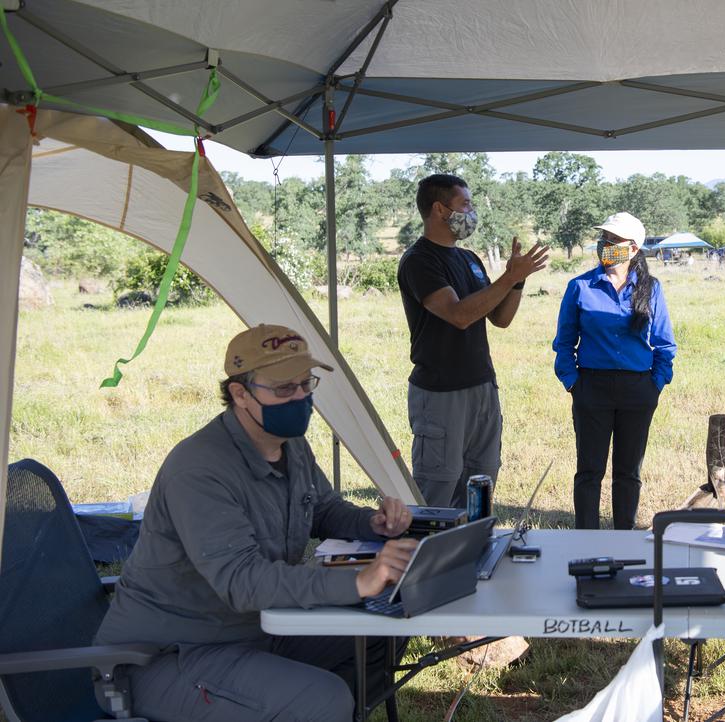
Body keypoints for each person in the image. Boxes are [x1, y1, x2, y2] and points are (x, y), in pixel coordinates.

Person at [94, 324, 420, 721]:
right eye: (284, 388)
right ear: (240, 393)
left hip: (254, 631)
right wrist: (358, 582)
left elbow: (320, 509)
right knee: (322, 698)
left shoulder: (289, 444)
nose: (301, 397)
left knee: (381, 634)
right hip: (166, 656)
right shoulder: (199, 469)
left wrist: (373, 523)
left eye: (306, 384)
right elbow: (242, 581)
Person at [397, 174, 548, 507]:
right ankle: (429, 556)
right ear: (440, 209)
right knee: (438, 484)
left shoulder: (469, 259)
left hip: (481, 387)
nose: (472, 211)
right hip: (439, 393)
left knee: (481, 480)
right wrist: (509, 276)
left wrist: (516, 283)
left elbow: (500, 318)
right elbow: (459, 315)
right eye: (465, 203)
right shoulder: (419, 260)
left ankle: (471, 549)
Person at [552, 212, 676, 530]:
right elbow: (564, 343)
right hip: (591, 388)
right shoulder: (579, 287)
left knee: (628, 471)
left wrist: (655, 385)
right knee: (589, 470)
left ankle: (624, 535)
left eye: (613, 241)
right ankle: (587, 538)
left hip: (639, 389)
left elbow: (664, 345)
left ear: (633, 248)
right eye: (603, 239)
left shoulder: (651, 289)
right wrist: (573, 383)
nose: (604, 245)